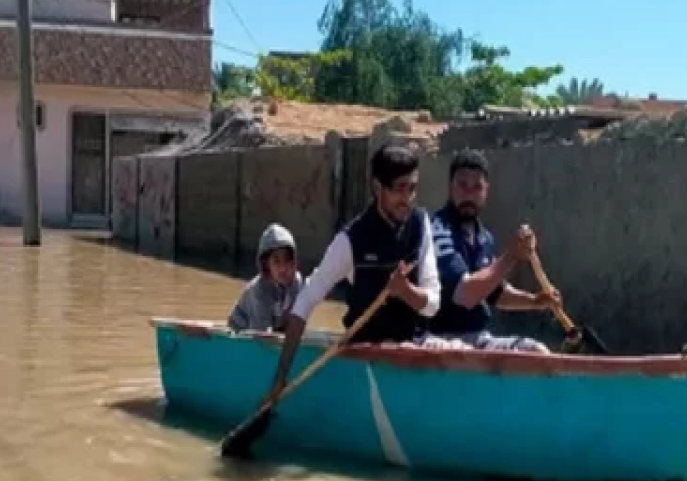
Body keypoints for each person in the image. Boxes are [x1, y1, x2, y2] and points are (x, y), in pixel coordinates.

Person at [259, 143, 441, 405]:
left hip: (414, 345)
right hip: (368, 348)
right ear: (378, 187)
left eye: (412, 188)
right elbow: (305, 303)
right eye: (399, 189)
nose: (408, 198)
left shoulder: (421, 224)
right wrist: (280, 377)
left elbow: (432, 305)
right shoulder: (350, 241)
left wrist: (406, 292)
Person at [426, 148, 560, 353]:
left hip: (476, 336)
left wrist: (535, 301)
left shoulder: (483, 237)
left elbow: (494, 293)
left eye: (477, 187)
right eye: (462, 186)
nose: (469, 194)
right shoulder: (438, 230)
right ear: (450, 188)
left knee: (536, 351)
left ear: (486, 191)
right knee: (465, 355)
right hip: (441, 337)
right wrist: (511, 256)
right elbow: (465, 294)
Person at [227, 223, 304, 333]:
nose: (283, 268)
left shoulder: (296, 282)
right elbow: (260, 333)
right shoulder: (258, 290)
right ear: (266, 264)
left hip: (275, 325)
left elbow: (295, 318)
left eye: (287, 260)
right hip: (242, 330)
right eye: (276, 261)